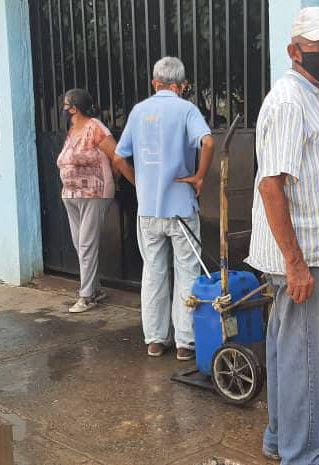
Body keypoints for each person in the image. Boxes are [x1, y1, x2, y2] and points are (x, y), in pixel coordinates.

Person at [246, 7, 319, 465]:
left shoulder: (315, 94)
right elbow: (271, 185)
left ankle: (278, 439)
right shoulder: (290, 101)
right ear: (294, 52)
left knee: (287, 348)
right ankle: (305, 456)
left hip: (306, 251)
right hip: (299, 255)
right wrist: (295, 263)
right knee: (307, 360)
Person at [115, 56, 215, 361]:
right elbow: (208, 142)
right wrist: (198, 177)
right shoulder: (186, 110)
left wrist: (139, 184)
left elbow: (120, 157)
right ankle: (185, 343)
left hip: (148, 211)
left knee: (153, 272)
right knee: (187, 272)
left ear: (155, 83)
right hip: (181, 209)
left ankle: (155, 340)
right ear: (182, 85)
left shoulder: (138, 111)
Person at [57, 88, 134, 314]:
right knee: (79, 244)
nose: (63, 108)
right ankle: (96, 288)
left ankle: (87, 296)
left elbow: (117, 156)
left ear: (75, 107)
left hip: (94, 193)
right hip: (71, 195)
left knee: (87, 244)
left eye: (66, 104)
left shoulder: (95, 128)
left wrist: (133, 182)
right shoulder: (71, 130)